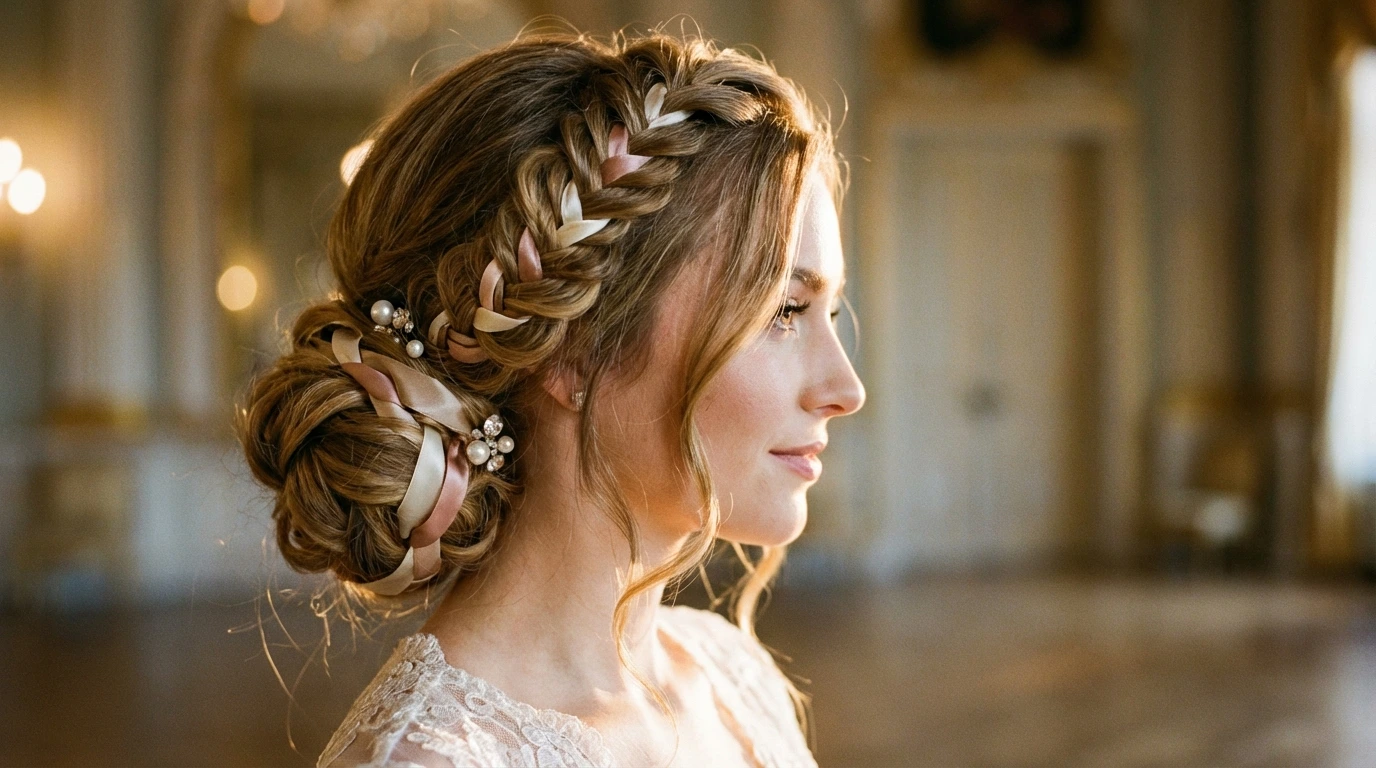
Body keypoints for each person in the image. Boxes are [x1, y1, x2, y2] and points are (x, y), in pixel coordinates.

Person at [239, 29, 865, 768]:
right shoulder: (434, 759)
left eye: (829, 311)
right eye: (783, 312)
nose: (846, 391)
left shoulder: (731, 677)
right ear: (576, 351)